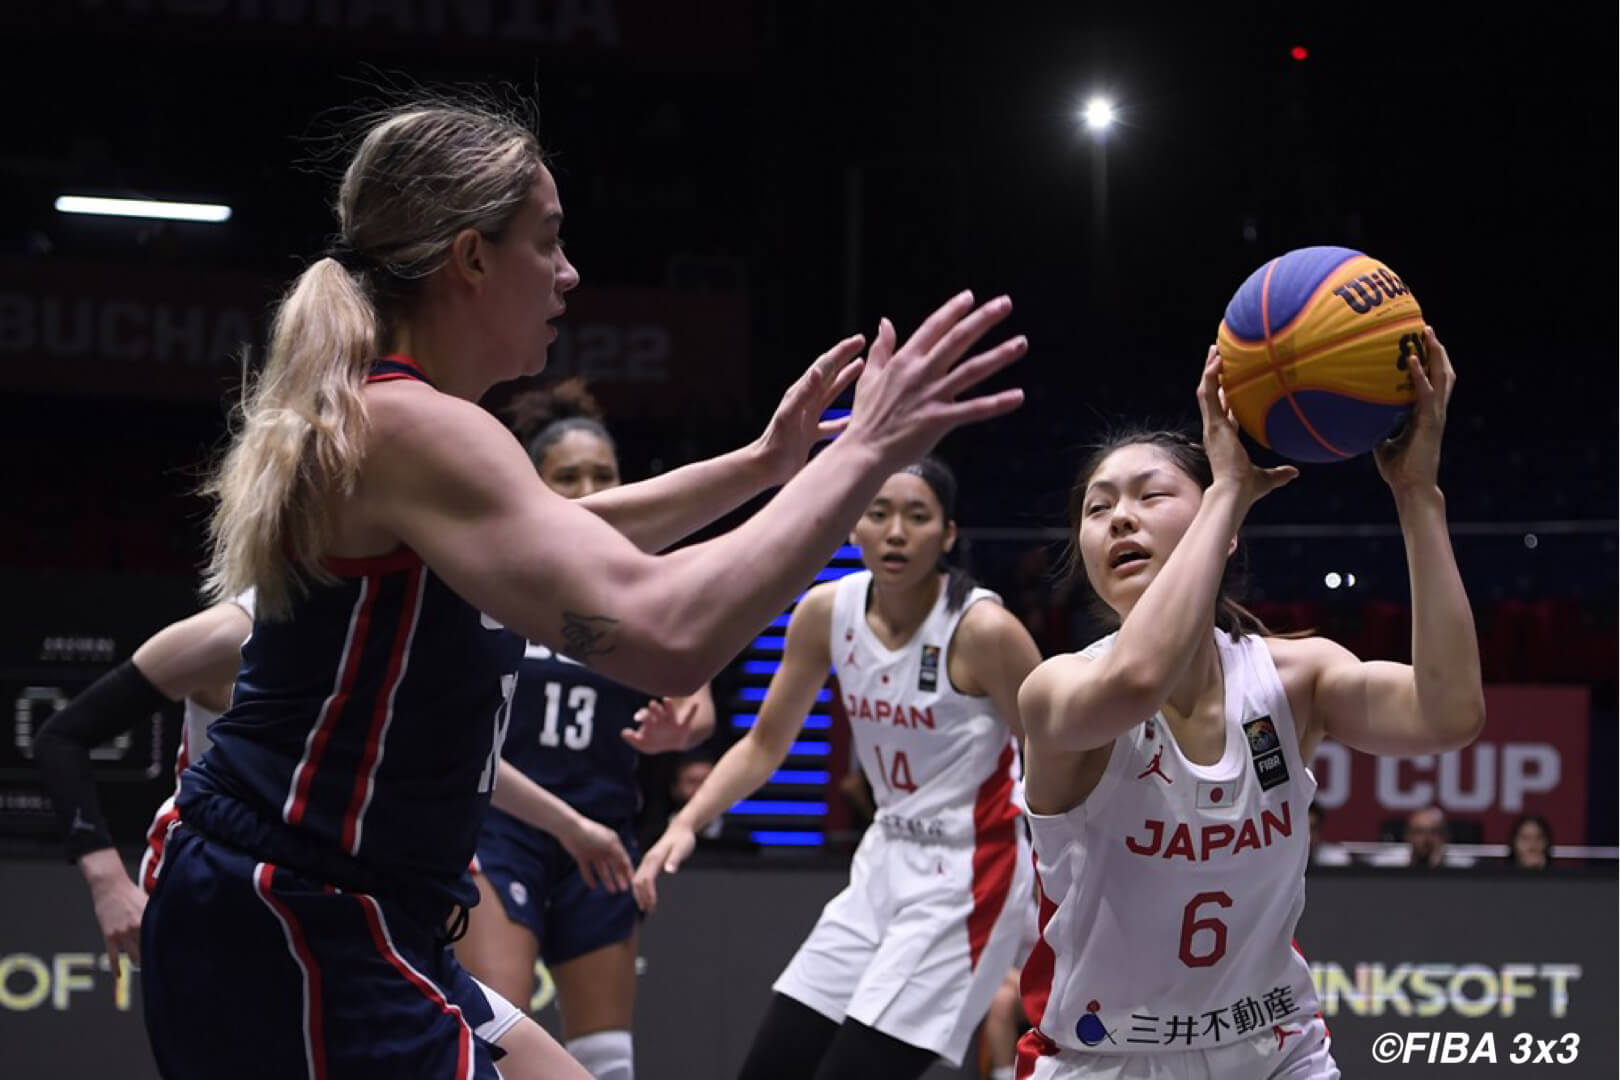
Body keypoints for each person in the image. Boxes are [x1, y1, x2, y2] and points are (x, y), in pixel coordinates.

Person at [139, 98, 1027, 1080]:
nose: (569, 275)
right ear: (471, 258)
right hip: (296, 917)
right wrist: (860, 455)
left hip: (343, 907)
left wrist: (769, 464)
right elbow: (668, 630)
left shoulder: (406, 421)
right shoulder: (418, 428)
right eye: (548, 243)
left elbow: (580, 534)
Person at [1016, 335, 1484, 1078]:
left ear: (1222, 535)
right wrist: (1229, 484)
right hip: (1106, 1060)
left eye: (1151, 494)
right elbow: (1139, 678)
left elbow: (1450, 714)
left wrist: (1417, 494)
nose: (1119, 519)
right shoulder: (1057, 694)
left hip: (1275, 1050)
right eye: (1098, 508)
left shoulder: (1296, 678)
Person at [636, 456, 1044, 1080]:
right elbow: (765, 745)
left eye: (916, 516)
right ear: (855, 528)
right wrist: (688, 821)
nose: (896, 532)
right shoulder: (827, 612)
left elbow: (1056, 757)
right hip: (881, 863)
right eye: (878, 514)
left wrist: (1066, 888)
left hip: (970, 875)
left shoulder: (983, 630)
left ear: (949, 534)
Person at [458, 378, 718, 1080]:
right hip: (499, 827)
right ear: (534, 484)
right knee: (499, 1042)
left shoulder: (642, 580)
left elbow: (697, 704)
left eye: (602, 475)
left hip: (603, 832)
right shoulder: (494, 570)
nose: (585, 488)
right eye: (566, 476)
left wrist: (682, 728)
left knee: (606, 1060)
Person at [33, 594, 255, 968]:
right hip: (214, 889)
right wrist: (109, 886)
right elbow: (60, 737)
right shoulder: (239, 631)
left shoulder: (378, 633)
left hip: (326, 881)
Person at [1306, 802, 1351, 867]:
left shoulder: (1336, 859)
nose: (1308, 836)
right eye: (1305, 829)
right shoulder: (1287, 858)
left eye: (1313, 828)